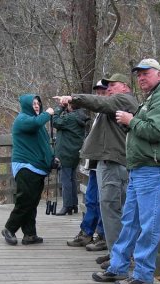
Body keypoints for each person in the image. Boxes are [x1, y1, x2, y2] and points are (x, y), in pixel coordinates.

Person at [92, 58, 160, 284]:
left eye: (146, 73)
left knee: (148, 224)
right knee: (129, 220)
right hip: (140, 167)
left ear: (159, 74)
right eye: (139, 74)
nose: (142, 77)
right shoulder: (150, 99)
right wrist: (131, 123)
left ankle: (143, 275)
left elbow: (156, 131)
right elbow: (144, 127)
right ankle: (118, 266)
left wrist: (131, 121)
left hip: (153, 168)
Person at [54, 74, 139, 267]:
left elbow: (98, 102)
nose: (108, 89)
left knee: (112, 210)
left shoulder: (123, 99)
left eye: (112, 85)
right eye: (106, 86)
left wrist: (73, 98)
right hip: (108, 162)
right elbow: (99, 104)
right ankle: (115, 252)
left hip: (114, 163)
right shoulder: (116, 102)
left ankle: (120, 257)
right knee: (109, 209)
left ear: (125, 87)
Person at [1, 94, 56, 245]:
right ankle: (9, 229)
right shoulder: (23, 119)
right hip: (26, 166)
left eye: (38, 103)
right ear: (26, 105)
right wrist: (48, 113)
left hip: (36, 168)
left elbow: (44, 145)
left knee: (32, 202)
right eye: (33, 104)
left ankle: (29, 234)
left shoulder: (38, 126)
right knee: (25, 201)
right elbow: (36, 122)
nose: (37, 105)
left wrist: (51, 159)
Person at [67, 80, 107, 250]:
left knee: (103, 202)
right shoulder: (98, 114)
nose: (99, 94)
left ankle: (103, 236)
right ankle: (87, 233)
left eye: (102, 91)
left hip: (105, 164)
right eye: (97, 91)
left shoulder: (110, 111)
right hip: (93, 164)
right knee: (91, 200)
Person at [52, 103, 89, 215]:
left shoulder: (71, 117)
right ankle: (73, 205)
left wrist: (59, 107)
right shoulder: (79, 116)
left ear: (70, 106)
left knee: (65, 180)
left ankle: (67, 206)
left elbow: (56, 122)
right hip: (74, 152)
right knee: (71, 179)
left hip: (66, 152)